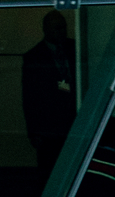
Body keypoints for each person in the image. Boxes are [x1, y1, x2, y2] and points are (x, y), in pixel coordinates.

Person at [21, 10, 78, 182]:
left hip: (74, 123)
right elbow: (30, 97)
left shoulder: (76, 48)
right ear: (46, 30)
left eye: (63, 27)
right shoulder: (34, 57)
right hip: (49, 127)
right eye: (56, 28)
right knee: (50, 173)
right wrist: (34, 131)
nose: (61, 32)